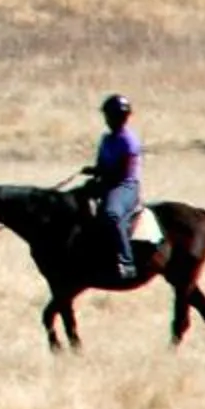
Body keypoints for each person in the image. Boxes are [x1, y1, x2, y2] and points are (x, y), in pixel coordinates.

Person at [89, 92, 143, 279]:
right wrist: (94, 171)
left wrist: (102, 176)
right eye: (108, 116)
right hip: (106, 183)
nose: (110, 120)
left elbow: (123, 172)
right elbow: (102, 164)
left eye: (114, 116)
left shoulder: (128, 141)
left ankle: (126, 261)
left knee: (111, 214)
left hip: (125, 186)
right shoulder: (106, 139)